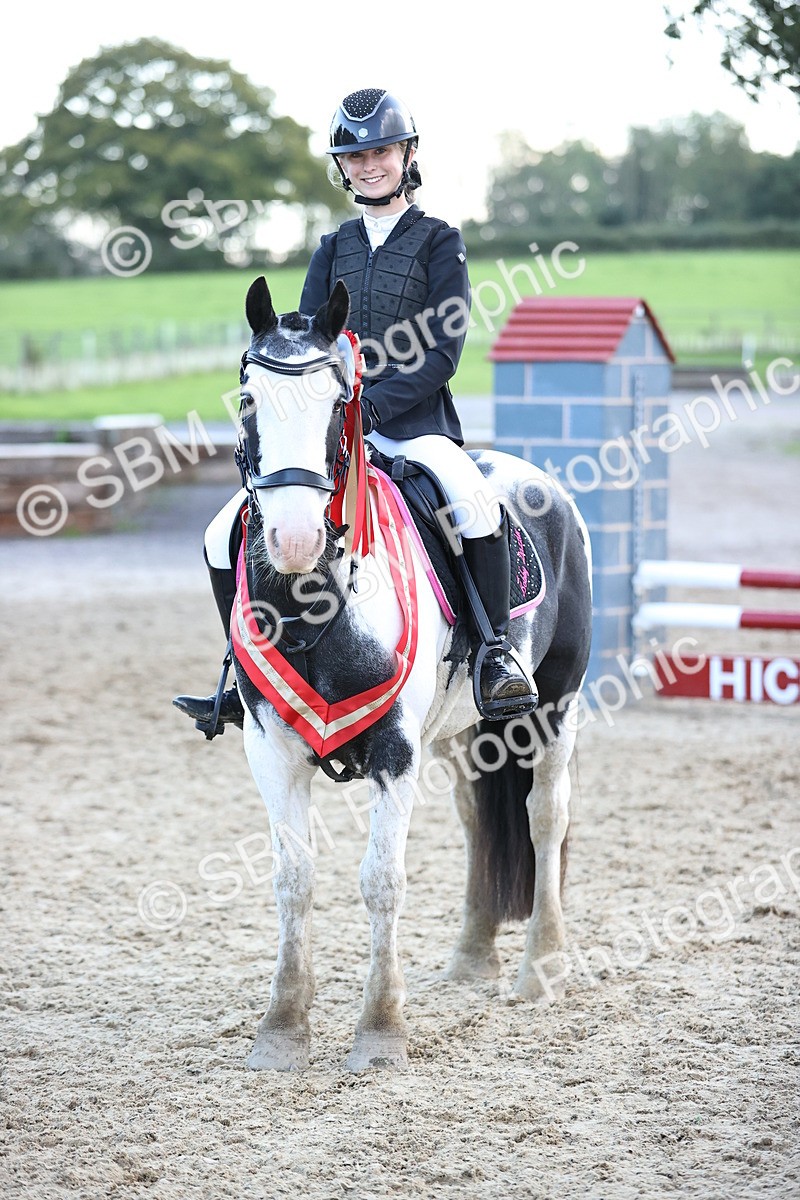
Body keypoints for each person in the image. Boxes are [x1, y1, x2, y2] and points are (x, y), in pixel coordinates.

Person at [173, 88, 537, 733]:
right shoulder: (332, 245)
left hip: (417, 429)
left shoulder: (439, 241)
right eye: (356, 155)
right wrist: (321, 409)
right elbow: (311, 338)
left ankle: (494, 654)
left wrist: (371, 411)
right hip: (333, 437)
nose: (370, 164)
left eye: (382, 152)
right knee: (219, 531)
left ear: (407, 154)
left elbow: (443, 355)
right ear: (343, 166)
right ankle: (239, 668)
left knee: (475, 504)